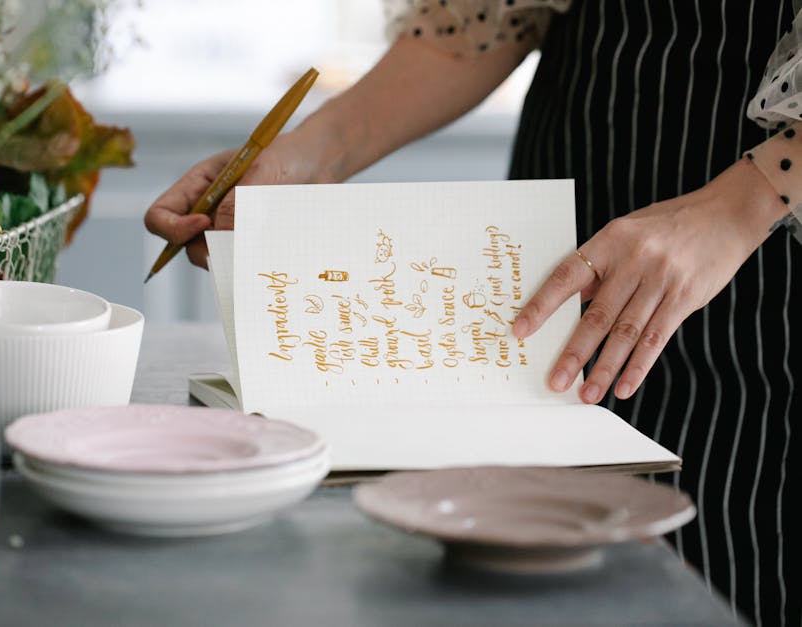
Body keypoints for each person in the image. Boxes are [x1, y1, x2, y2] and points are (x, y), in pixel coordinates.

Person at [145, 1, 801, 624]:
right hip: (557, 242)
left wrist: (747, 201)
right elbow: (482, 22)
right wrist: (310, 155)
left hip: (764, 294)